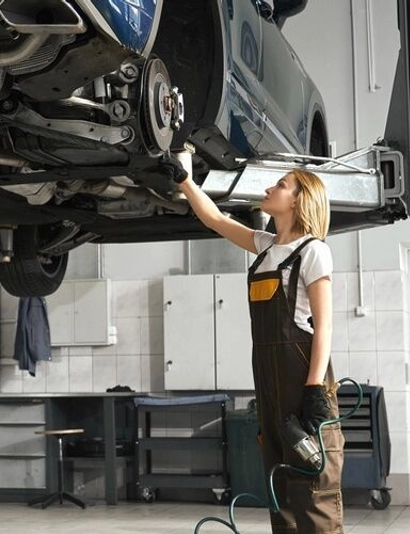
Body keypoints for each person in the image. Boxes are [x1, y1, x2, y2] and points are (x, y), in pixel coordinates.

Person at [171, 151, 344, 533]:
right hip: (268, 376)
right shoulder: (265, 248)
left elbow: (324, 327)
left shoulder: (313, 251)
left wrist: (314, 388)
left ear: (298, 200)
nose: (269, 189)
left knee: (312, 478)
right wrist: (185, 180)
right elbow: (216, 220)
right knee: (279, 477)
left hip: (302, 376)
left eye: (280, 185)